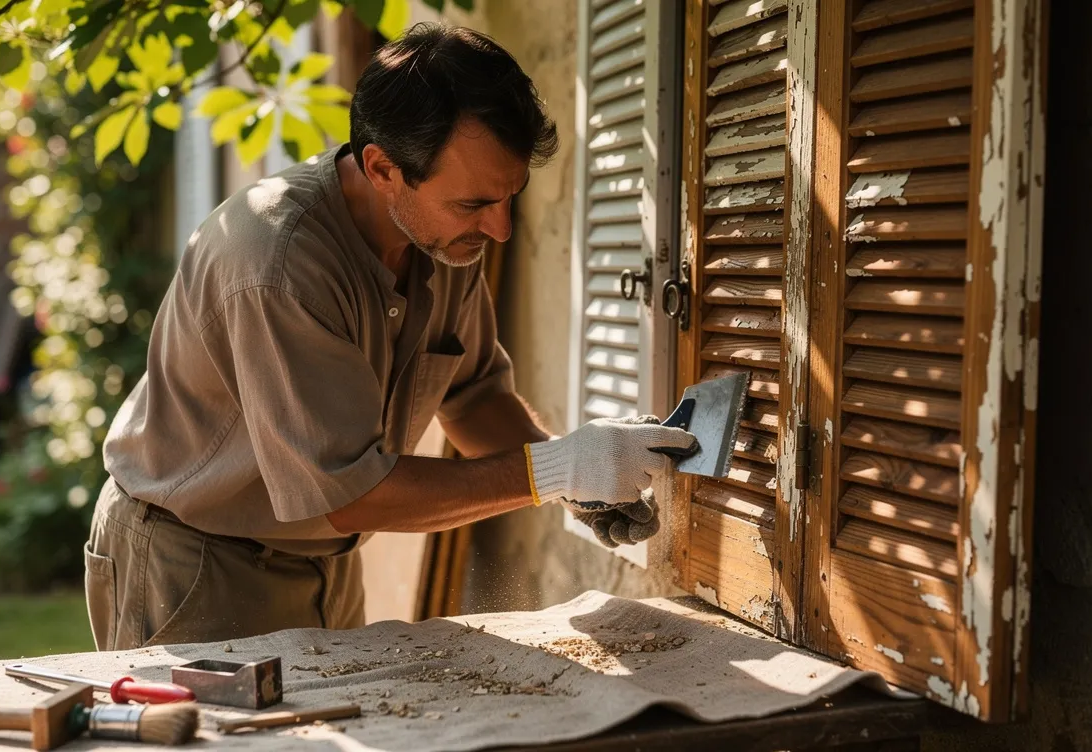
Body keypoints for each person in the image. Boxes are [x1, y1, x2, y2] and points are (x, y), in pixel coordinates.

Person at [83, 23, 695, 650]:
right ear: (382, 168)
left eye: (511, 196)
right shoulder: (278, 264)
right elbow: (350, 491)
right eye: (474, 204)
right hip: (194, 563)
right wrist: (558, 466)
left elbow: (474, 399)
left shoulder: (446, 239)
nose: (501, 228)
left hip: (327, 559)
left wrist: (576, 484)